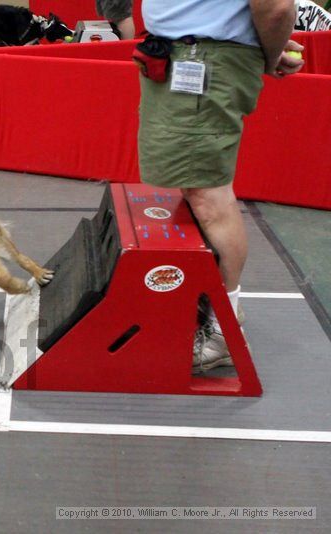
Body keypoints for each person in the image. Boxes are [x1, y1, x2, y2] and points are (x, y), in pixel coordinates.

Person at [137, 0, 304, 372]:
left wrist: (265, 55)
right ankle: (212, 309)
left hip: (204, 59)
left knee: (208, 194)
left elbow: (276, 7)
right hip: (186, 54)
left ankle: (222, 332)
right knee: (196, 187)